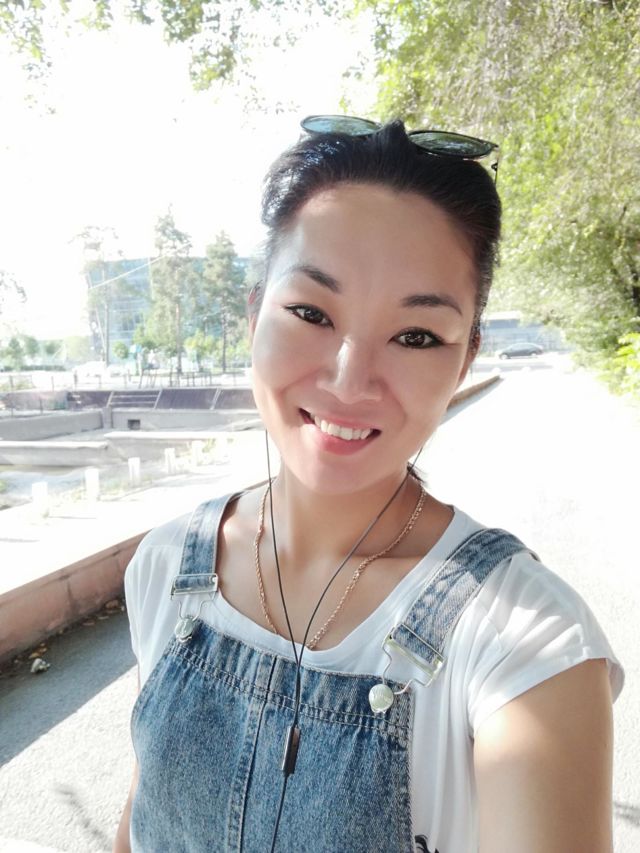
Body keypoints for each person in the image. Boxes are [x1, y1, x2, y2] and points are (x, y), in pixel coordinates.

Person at [114, 116, 623, 853]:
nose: (351, 380)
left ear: (464, 359)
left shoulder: (523, 641)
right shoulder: (165, 567)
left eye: (416, 335)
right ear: (254, 316)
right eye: (311, 312)